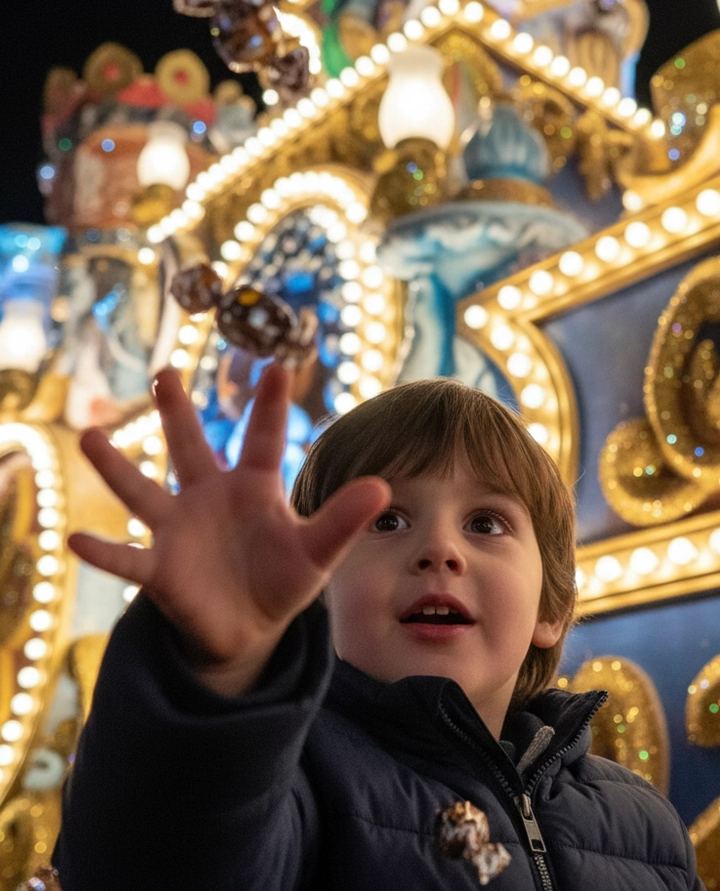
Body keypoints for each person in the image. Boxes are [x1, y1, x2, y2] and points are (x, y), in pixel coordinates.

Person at [52, 365, 703, 889]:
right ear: (312, 594)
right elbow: (167, 856)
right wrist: (213, 671)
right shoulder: (291, 781)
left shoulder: (644, 823)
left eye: (486, 523)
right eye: (386, 521)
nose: (440, 550)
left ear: (550, 607)